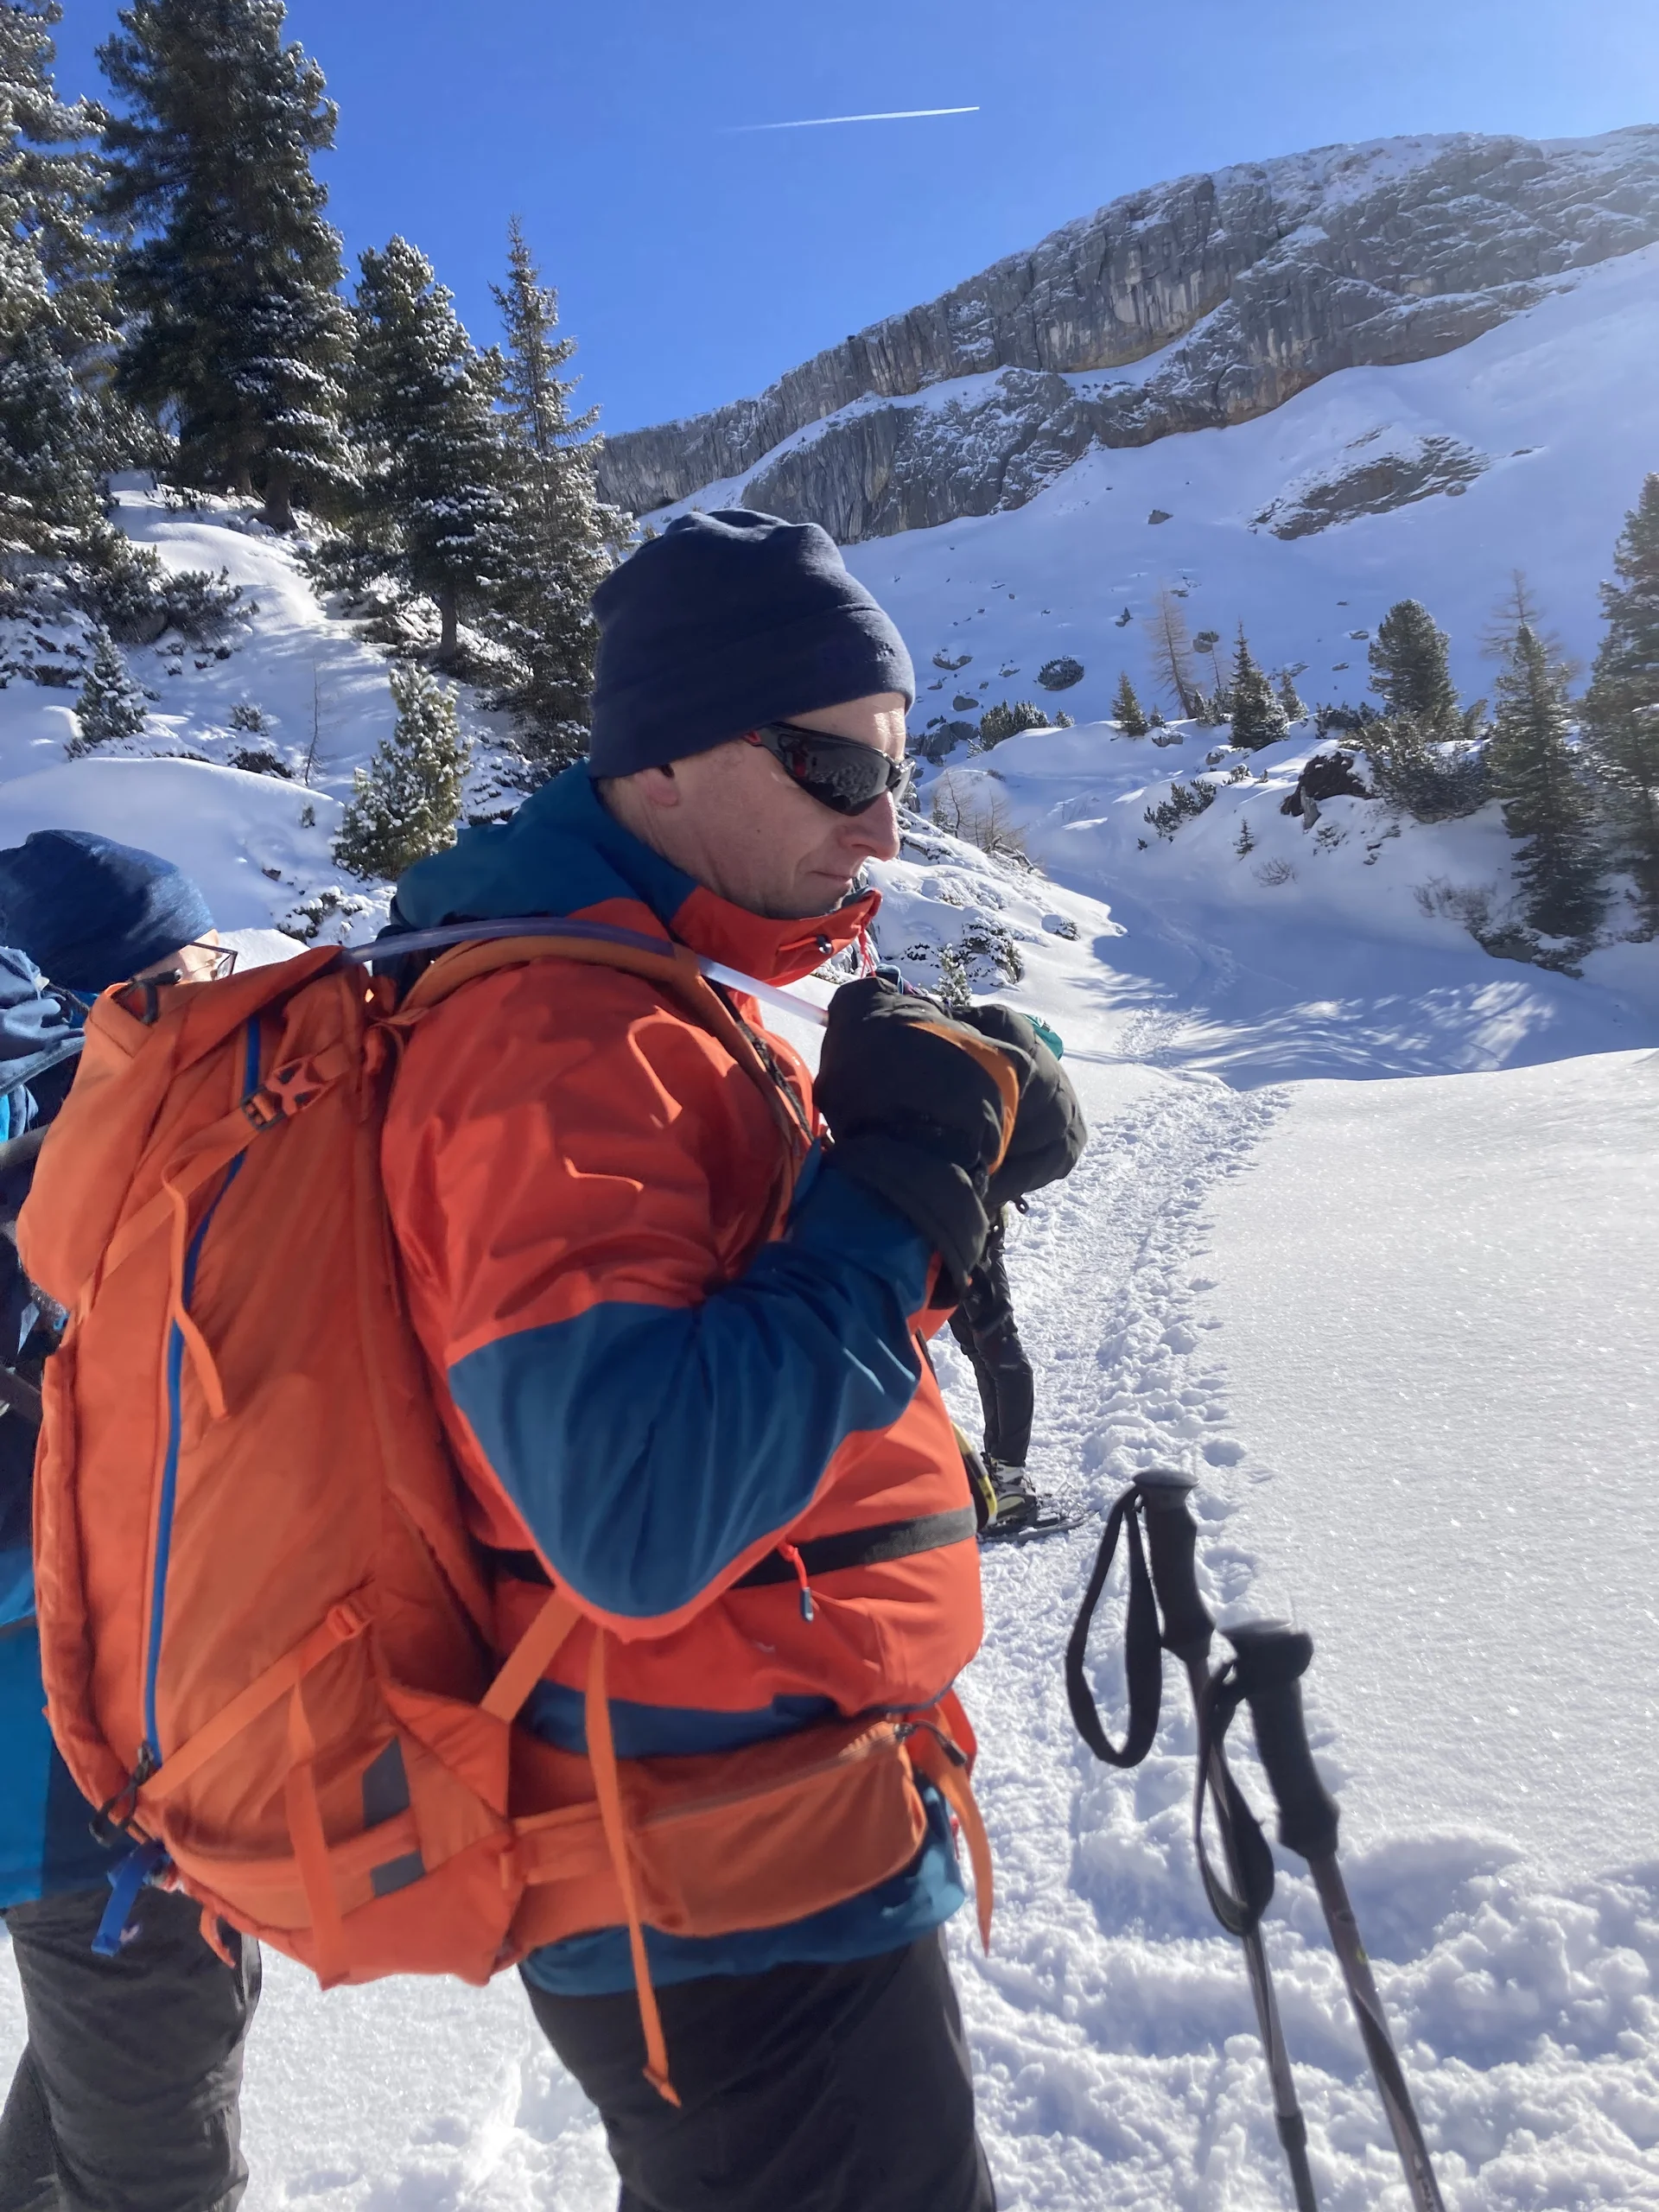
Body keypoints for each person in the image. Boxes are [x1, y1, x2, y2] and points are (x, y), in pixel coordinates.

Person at [381, 508, 1084, 2212]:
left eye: (895, 769)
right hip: (721, 1895)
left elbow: (749, 1355)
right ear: (665, 757)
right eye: (837, 767)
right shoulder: (552, 1038)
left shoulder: (644, 995)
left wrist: (939, 1174)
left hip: (760, 1842)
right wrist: (894, 1195)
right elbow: (633, 1511)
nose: (883, 822)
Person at [0, 831, 258, 2212]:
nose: (226, 990)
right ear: (114, 997)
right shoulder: (72, 1189)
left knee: (92, 2098)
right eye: (199, 964)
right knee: (157, 2163)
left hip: (78, 1769)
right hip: (82, 1779)